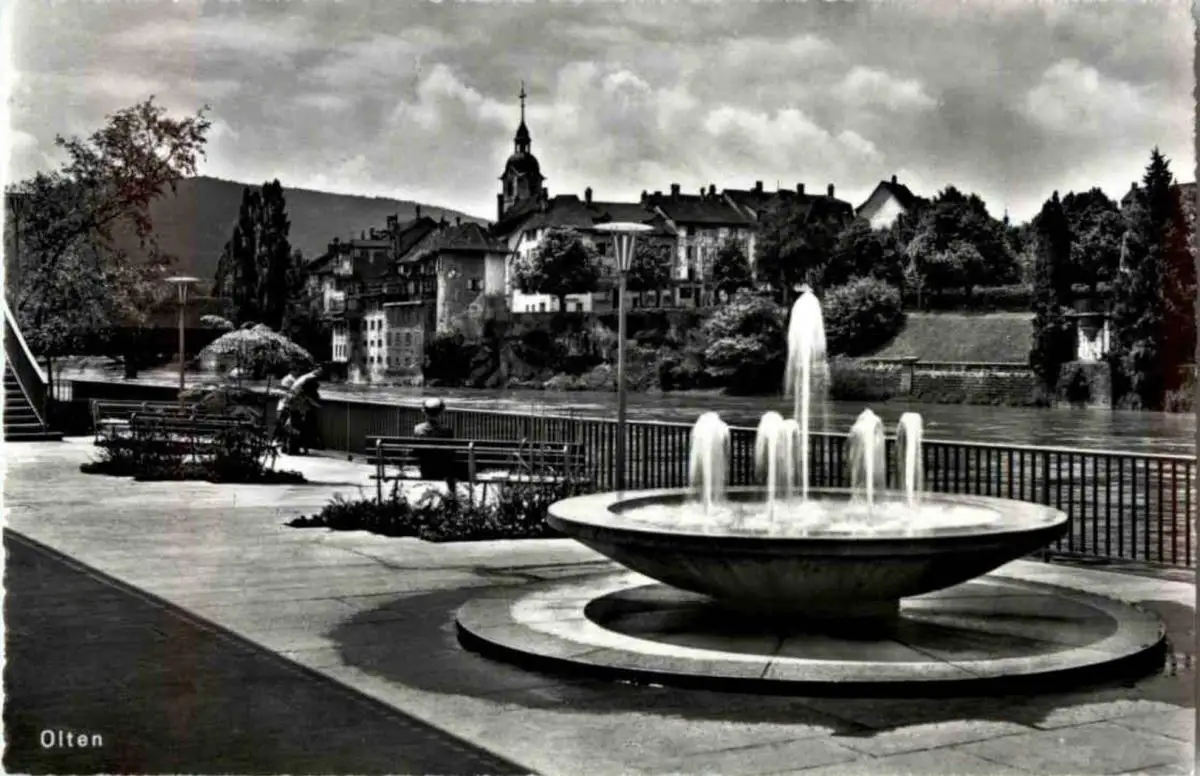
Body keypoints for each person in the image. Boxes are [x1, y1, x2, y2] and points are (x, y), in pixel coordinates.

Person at [413, 397, 462, 485]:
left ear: (425, 412)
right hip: (442, 467)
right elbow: (452, 451)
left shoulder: (417, 429)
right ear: (441, 412)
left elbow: (416, 451)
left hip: (425, 466)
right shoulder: (447, 430)